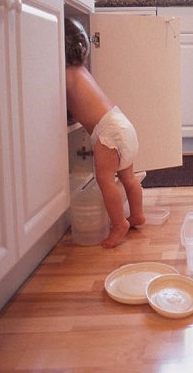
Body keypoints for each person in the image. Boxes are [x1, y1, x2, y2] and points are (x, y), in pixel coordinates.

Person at [64, 18, 145, 248]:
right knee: (128, 178)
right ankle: (137, 215)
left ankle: (119, 224)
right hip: (122, 124)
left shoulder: (65, 75)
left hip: (107, 133)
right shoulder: (83, 72)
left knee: (105, 180)